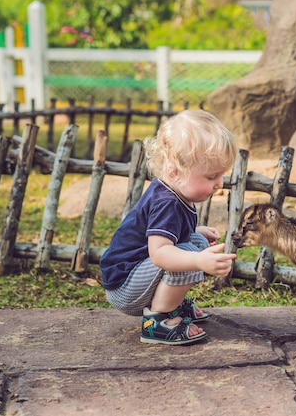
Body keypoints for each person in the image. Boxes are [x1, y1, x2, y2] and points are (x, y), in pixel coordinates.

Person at [100, 109, 237, 345]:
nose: (219, 184)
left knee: (196, 242)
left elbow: (162, 235)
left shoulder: (173, 190)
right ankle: (158, 321)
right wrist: (198, 262)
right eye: (211, 176)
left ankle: (171, 305)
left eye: (221, 175)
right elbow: (160, 253)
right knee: (191, 254)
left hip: (135, 276)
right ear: (175, 171)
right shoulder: (168, 202)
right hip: (125, 288)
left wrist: (197, 232)